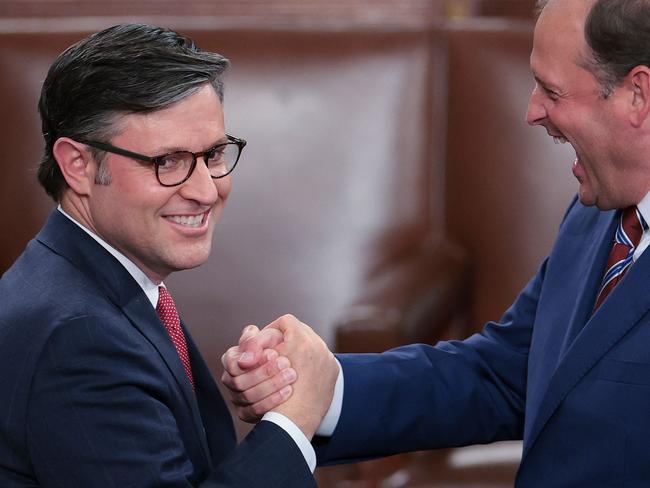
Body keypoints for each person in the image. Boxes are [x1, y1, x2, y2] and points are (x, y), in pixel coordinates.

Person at [222, 0, 650, 484]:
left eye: (552, 91)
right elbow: (504, 376)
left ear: (638, 94)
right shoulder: (594, 219)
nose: (533, 112)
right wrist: (320, 387)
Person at [0, 23, 338, 487]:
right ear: (78, 165)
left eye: (214, 154)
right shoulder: (78, 337)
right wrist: (295, 418)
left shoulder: (88, 284)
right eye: (168, 162)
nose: (205, 190)